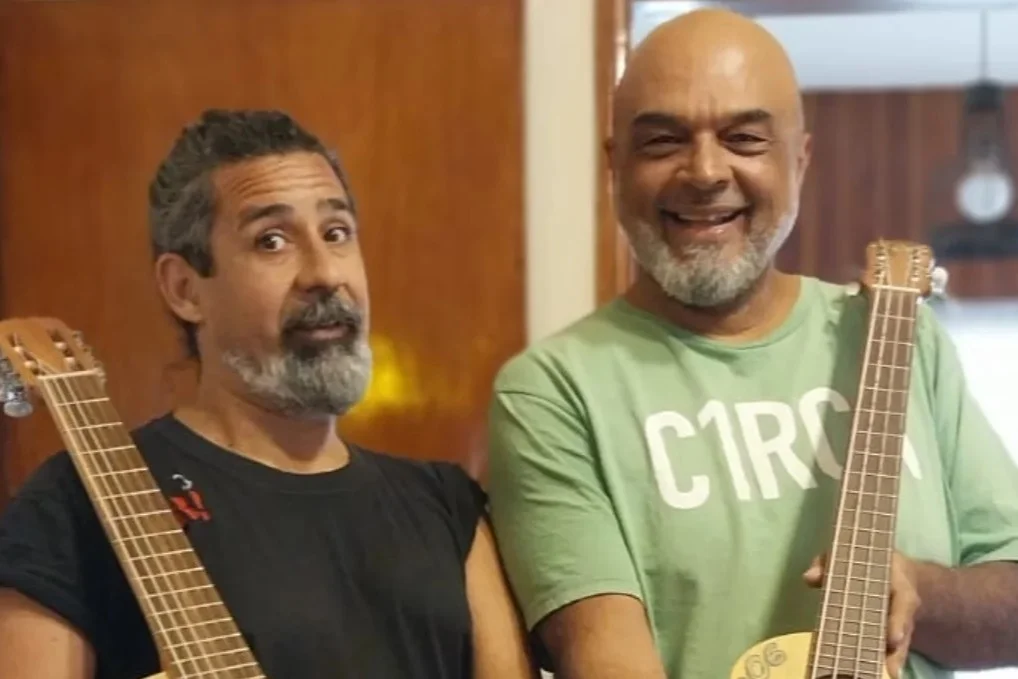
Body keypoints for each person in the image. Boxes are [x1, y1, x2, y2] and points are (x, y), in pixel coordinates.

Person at [485, 9, 1018, 679]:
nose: (706, 171)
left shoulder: (899, 338)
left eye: (743, 138)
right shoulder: (553, 391)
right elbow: (605, 656)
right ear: (615, 165)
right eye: (662, 141)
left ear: (800, 159)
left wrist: (919, 591)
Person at [0, 108, 536, 679]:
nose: (323, 274)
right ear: (185, 290)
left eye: (336, 233)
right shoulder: (79, 498)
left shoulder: (444, 506)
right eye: (272, 241)